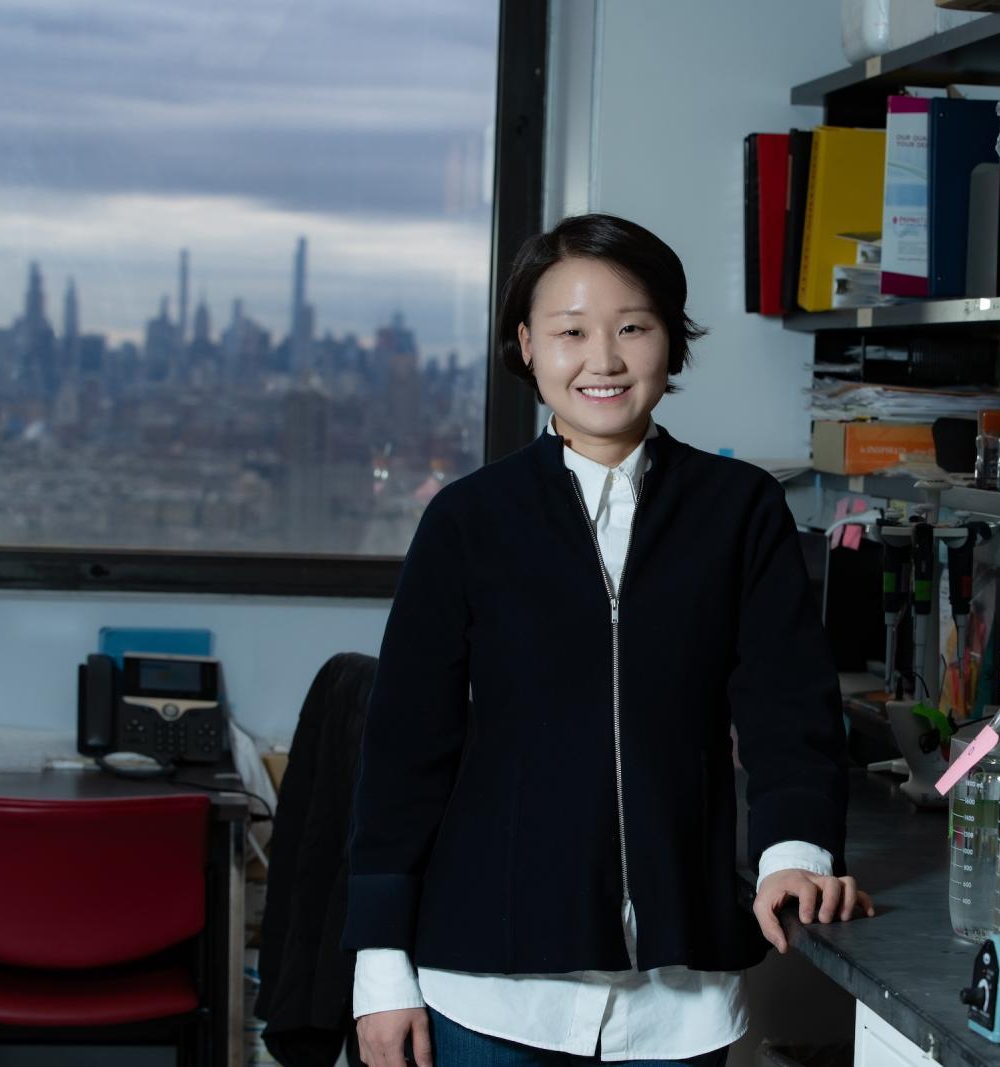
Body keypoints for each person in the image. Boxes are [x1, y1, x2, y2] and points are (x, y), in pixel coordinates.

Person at [344, 213, 871, 1067]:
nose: (604, 359)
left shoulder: (739, 511)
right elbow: (405, 749)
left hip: (681, 994)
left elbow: (789, 707)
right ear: (525, 344)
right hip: (487, 983)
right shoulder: (469, 521)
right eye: (571, 332)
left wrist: (794, 852)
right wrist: (380, 967)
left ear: (672, 339)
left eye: (633, 327)